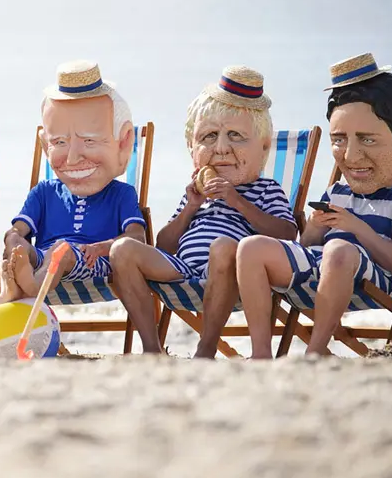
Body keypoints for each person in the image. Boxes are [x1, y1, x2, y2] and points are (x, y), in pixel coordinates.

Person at [236, 54, 392, 357]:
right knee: (250, 247)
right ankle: (261, 354)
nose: (350, 157)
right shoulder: (337, 191)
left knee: (339, 249)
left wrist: (356, 228)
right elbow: (307, 246)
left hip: (373, 279)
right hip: (322, 266)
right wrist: (314, 227)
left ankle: (315, 351)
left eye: (367, 140)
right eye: (338, 140)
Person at [108, 66, 298, 355]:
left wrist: (238, 203)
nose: (220, 148)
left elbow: (288, 233)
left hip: (232, 275)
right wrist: (190, 209)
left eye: (235, 135)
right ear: (191, 147)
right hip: (183, 271)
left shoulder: (265, 189)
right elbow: (165, 245)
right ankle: (151, 349)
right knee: (122, 249)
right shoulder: (196, 193)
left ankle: (206, 348)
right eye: (208, 137)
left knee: (223, 247)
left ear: (264, 147)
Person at [0, 61, 145, 304]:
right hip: (43, 257)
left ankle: (30, 289)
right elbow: (18, 230)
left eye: (89, 141)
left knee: (62, 250)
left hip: (93, 261)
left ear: (123, 143)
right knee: (21, 251)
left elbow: (137, 238)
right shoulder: (44, 192)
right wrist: (14, 240)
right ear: (46, 146)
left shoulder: (122, 193)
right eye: (59, 143)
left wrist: (103, 247)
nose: (72, 158)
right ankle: (16, 285)